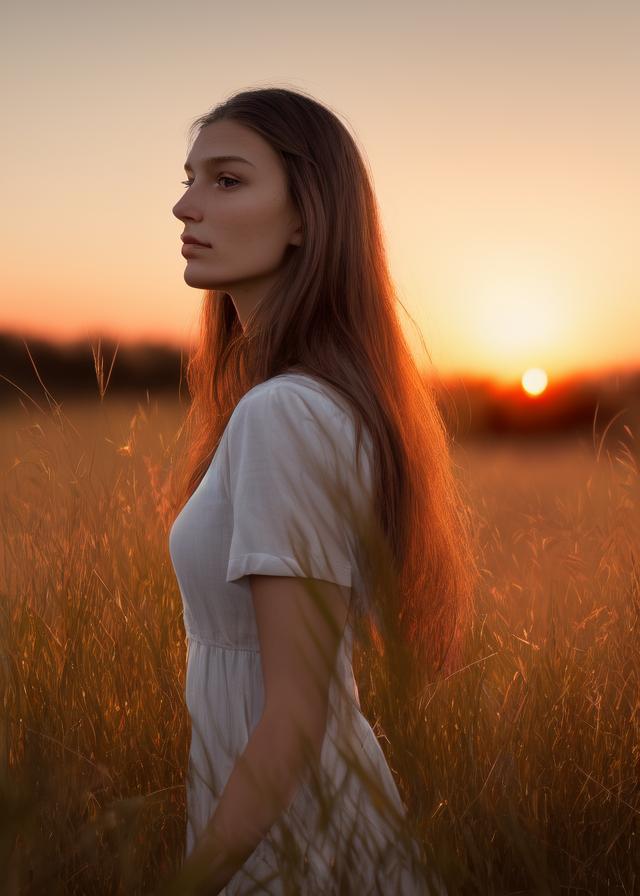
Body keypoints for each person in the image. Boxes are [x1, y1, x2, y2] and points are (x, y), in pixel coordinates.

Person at [168, 87, 476, 895]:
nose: (185, 204)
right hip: (275, 818)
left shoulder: (286, 413)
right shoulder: (283, 404)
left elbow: (296, 714)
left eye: (227, 180)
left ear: (307, 215)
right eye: (191, 178)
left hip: (298, 841)